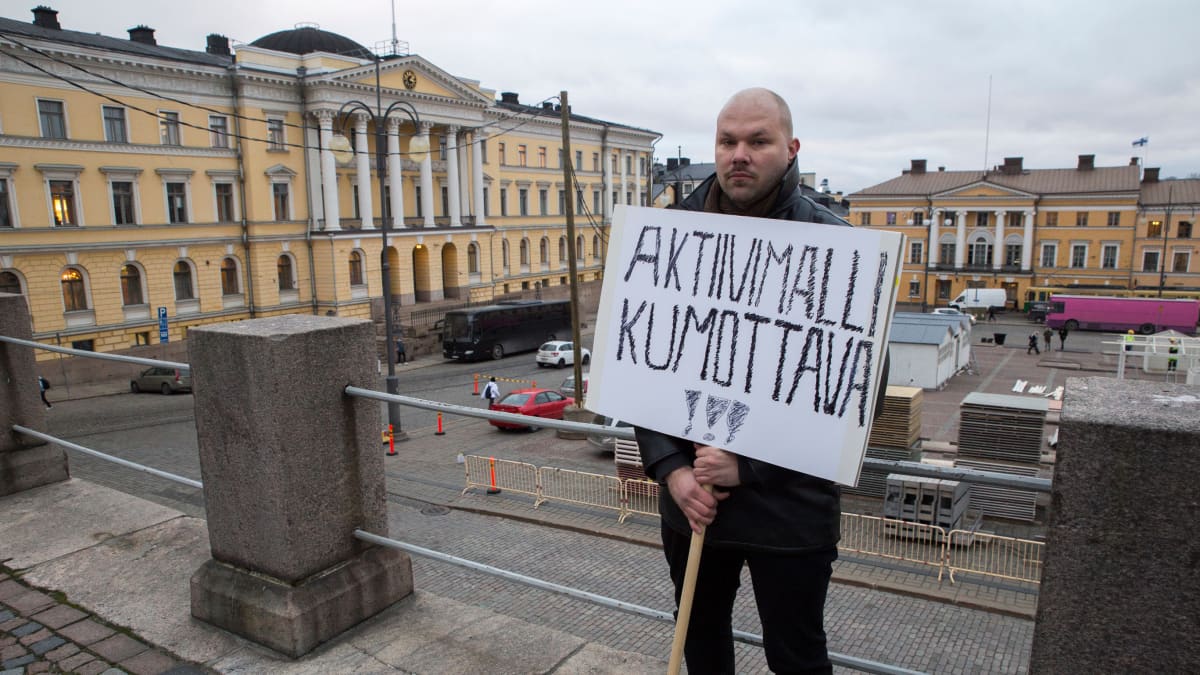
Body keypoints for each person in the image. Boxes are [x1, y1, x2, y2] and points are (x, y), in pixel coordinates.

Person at [634, 88, 886, 674]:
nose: (739, 154)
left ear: (791, 149)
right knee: (701, 647)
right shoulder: (668, 236)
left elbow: (855, 396)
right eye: (728, 141)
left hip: (790, 511)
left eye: (757, 141)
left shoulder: (839, 248)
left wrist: (749, 466)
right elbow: (643, 367)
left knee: (797, 658)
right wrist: (671, 469)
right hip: (693, 503)